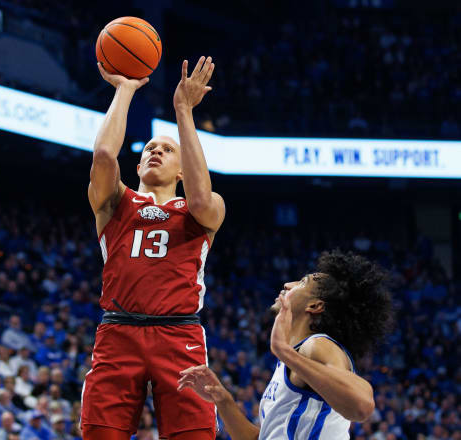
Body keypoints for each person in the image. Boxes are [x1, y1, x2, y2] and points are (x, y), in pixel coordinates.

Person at [81, 56, 225, 440]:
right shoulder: (115, 202)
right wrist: (124, 90)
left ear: (183, 171)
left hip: (179, 336)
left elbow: (198, 196)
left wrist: (183, 111)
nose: (154, 152)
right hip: (118, 334)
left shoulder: (205, 209)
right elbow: (103, 156)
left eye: (166, 149)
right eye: (148, 148)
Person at [178, 250, 393, 439]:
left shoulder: (317, 346)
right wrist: (222, 398)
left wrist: (284, 351)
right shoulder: (295, 360)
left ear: (315, 305)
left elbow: (362, 406)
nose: (288, 284)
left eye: (301, 283)